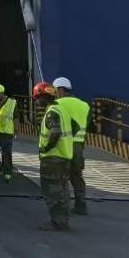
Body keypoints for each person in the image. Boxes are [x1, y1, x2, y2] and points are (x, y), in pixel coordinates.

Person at [34, 81, 74, 232]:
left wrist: (45, 147)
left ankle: (57, 222)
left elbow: (55, 133)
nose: (37, 102)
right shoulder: (62, 109)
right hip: (64, 156)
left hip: (53, 158)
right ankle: (63, 220)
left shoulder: (52, 112)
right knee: (63, 189)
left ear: (43, 97)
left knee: (52, 191)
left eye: (37, 98)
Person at [53, 76, 91, 216]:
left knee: (61, 176)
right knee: (77, 176)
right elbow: (87, 125)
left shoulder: (57, 104)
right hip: (78, 146)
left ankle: (63, 208)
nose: (54, 94)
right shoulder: (85, 105)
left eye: (55, 91)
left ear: (61, 90)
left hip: (63, 145)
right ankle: (81, 205)